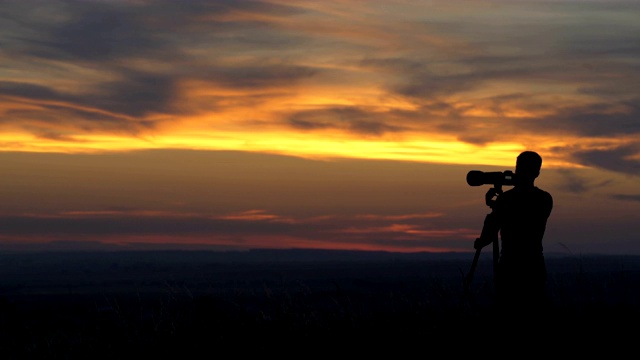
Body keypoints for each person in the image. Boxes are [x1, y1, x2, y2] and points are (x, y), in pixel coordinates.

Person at [474, 151, 553, 315]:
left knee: (508, 312)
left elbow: (489, 235)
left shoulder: (507, 200)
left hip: (510, 266)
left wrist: (495, 207)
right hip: (534, 265)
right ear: (537, 172)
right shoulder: (545, 199)